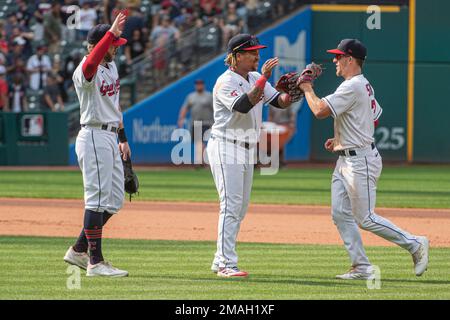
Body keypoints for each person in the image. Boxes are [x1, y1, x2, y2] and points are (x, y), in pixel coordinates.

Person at [298, 38, 429, 279]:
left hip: (361, 161)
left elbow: (318, 111)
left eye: (338, 56)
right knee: (339, 213)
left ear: (350, 59)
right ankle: (362, 267)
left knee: (365, 218)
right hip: (346, 158)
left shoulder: (352, 86)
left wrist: (307, 87)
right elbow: (375, 115)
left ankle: (415, 243)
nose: (334, 60)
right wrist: (342, 137)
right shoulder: (363, 85)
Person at [207, 34, 296, 278]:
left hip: (247, 148)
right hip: (226, 146)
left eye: (257, 51)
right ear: (236, 56)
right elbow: (243, 106)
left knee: (240, 208)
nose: (258, 56)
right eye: (252, 52)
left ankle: (220, 259)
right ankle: (226, 263)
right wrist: (267, 77)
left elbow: (279, 101)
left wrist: (296, 91)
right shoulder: (225, 81)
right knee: (231, 205)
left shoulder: (255, 77)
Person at [63, 12, 131, 277]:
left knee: (113, 200)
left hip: (110, 135)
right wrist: (110, 34)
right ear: (96, 44)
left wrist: (123, 138)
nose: (116, 47)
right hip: (92, 135)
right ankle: (95, 262)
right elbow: (92, 63)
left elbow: (115, 104)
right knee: (96, 199)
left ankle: (79, 249)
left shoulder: (111, 66)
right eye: (113, 43)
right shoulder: (84, 69)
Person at [177, 79, 213, 165]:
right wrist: (181, 118)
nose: (199, 86)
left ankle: (200, 160)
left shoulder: (208, 96)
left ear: (203, 85)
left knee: (201, 142)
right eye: (197, 84)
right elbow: (185, 108)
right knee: (198, 142)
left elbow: (215, 108)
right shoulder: (191, 96)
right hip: (195, 123)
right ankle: (201, 160)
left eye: (200, 84)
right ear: (195, 86)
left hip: (207, 122)